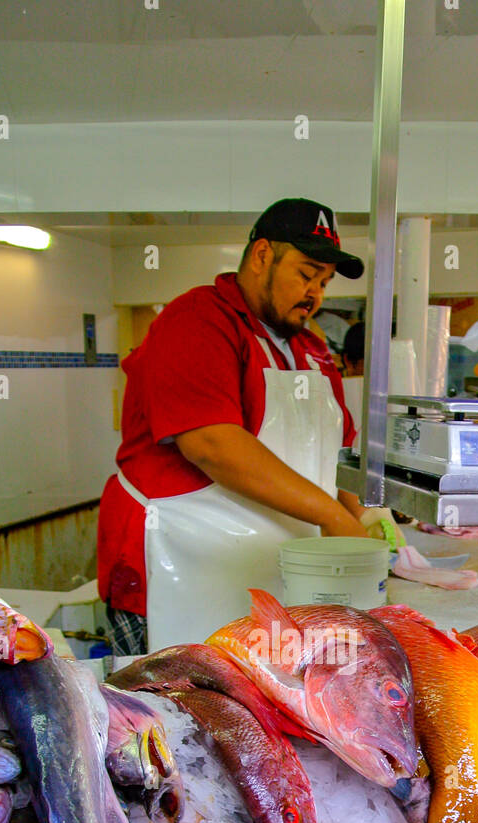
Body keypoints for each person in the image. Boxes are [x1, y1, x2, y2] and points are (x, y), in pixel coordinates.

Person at [97, 197, 377, 656]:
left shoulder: (312, 348)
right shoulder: (197, 321)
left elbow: (336, 454)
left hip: (269, 578)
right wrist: (333, 517)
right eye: (306, 274)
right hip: (175, 568)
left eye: (324, 283)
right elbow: (213, 444)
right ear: (262, 254)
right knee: (170, 714)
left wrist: (364, 521)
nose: (316, 294)